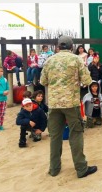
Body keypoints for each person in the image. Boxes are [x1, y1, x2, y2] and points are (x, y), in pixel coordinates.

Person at [40, 35, 97, 178]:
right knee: (76, 133)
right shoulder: (76, 59)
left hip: (53, 104)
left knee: (55, 136)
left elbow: (42, 81)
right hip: (71, 103)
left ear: (58, 47)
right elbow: (87, 80)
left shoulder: (49, 60)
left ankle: (54, 169)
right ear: (72, 47)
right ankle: (81, 168)